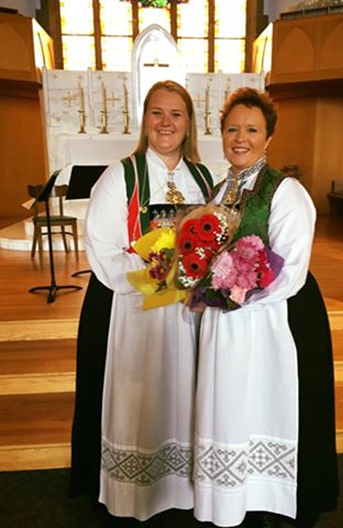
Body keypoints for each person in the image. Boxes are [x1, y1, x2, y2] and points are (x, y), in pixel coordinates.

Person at [192, 88, 338, 528]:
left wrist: (235, 294)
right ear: (221, 134)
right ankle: (232, 494)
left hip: (276, 318)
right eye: (232, 128)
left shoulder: (285, 190)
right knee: (232, 403)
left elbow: (291, 268)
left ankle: (274, 497)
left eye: (252, 129)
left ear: (269, 137)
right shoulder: (219, 190)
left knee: (270, 401)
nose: (241, 137)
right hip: (225, 319)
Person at [69, 80, 213, 521]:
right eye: (157, 112)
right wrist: (164, 275)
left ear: (189, 124)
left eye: (176, 114)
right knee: (141, 398)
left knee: (184, 396)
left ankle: (184, 490)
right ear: (144, 119)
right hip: (134, 310)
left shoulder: (204, 178)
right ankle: (134, 493)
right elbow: (105, 250)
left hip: (189, 314)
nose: (165, 123)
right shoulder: (122, 175)